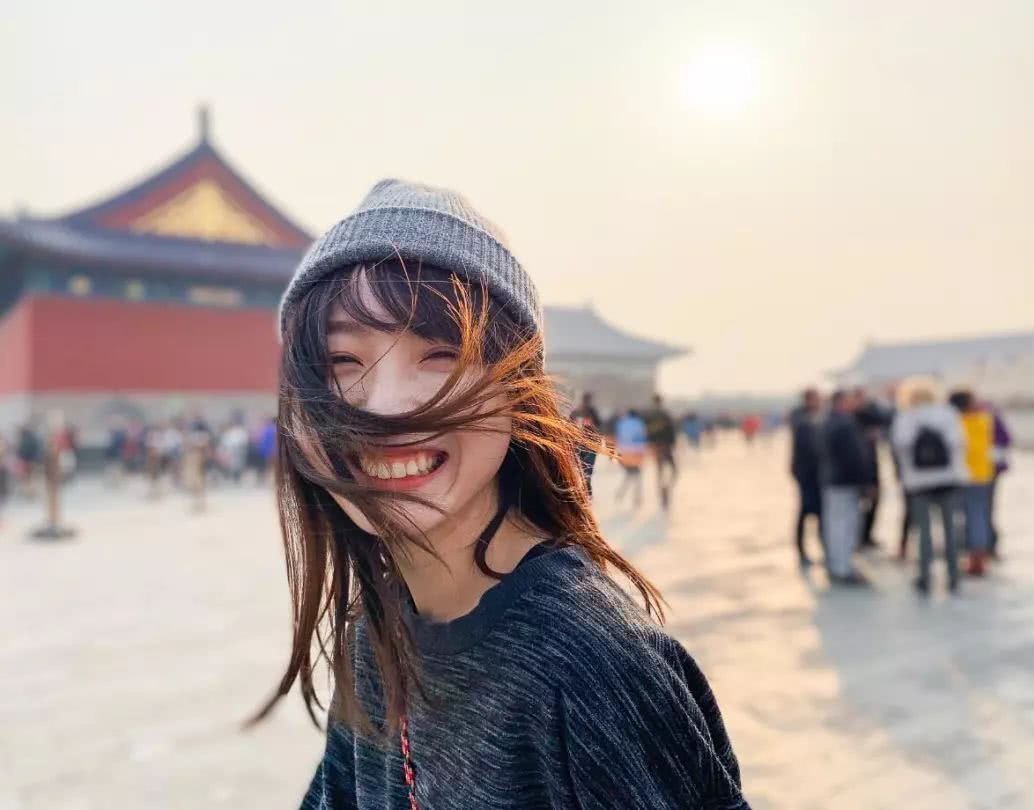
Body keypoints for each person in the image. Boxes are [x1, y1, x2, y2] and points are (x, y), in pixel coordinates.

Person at [252, 180, 750, 809]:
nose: (387, 407)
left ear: (520, 390)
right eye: (341, 362)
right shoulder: (375, 635)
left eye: (441, 352)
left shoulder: (586, 668)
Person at [890, 378, 968, 594]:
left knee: (923, 531)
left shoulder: (906, 417)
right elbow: (959, 443)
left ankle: (924, 575)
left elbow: (900, 446)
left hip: (919, 483)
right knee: (951, 529)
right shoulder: (948, 414)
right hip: (948, 479)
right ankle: (954, 576)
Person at [821, 390, 874, 586]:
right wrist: (866, 481)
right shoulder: (844, 424)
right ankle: (842, 568)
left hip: (834, 480)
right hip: (844, 482)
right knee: (843, 527)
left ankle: (838, 565)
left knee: (837, 525)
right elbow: (855, 457)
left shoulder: (829, 421)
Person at [950, 389, 995, 576]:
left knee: (966, 518)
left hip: (963, 475)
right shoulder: (984, 420)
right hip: (984, 474)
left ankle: (971, 558)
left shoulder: (955, 423)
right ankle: (980, 557)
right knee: (980, 516)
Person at [790, 388, 825, 567]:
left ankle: (822, 546)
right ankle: (802, 550)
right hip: (805, 473)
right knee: (805, 511)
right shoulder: (801, 417)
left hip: (816, 473)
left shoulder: (813, 416)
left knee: (819, 512)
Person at [852, 387, 889, 550]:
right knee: (858, 506)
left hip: (871, 466)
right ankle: (858, 537)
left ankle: (866, 535)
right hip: (857, 470)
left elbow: (883, 419)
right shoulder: (849, 418)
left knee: (874, 502)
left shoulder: (868, 413)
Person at [644, 393, 678, 509]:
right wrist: (673, 443)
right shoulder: (664, 414)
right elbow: (671, 430)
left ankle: (662, 491)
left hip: (656, 446)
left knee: (660, 470)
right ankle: (665, 489)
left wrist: (649, 444)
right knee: (673, 470)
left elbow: (646, 432)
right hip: (665, 446)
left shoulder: (649, 415)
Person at [988, 404, 1012, 559]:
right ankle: (989, 544)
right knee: (988, 507)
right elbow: (1007, 438)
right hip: (992, 469)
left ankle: (983, 544)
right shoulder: (992, 414)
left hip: (976, 471)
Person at [569, 391, 602, 496]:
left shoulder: (576, 411)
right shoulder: (592, 412)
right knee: (588, 469)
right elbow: (599, 426)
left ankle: (583, 489)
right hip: (590, 444)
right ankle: (586, 489)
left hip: (578, 444)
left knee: (580, 468)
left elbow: (569, 426)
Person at [614, 408, 648, 508]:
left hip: (624, 452)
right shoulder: (639, 423)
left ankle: (621, 493)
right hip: (636, 452)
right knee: (637, 474)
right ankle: (636, 497)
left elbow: (618, 437)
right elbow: (642, 437)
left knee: (630, 473)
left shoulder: (621, 423)